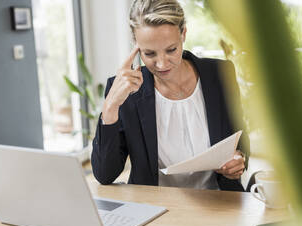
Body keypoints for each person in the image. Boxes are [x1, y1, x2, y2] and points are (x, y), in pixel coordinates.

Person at [91, 0, 250, 191]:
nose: (161, 64)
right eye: (149, 53)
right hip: (155, 208)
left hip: (220, 203)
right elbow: (105, 174)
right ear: (136, 43)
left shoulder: (219, 73)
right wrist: (110, 106)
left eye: (171, 50)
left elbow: (239, 136)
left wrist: (239, 159)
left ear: (183, 34)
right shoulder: (126, 91)